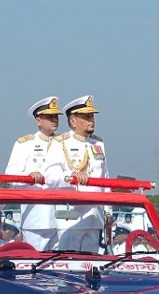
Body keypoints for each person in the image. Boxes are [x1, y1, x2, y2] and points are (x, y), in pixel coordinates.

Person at [5, 96, 66, 250]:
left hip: (63, 216)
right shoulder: (25, 144)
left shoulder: (66, 143)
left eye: (56, 116)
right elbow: (10, 175)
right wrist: (29, 177)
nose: (54, 120)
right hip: (37, 216)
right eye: (49, 117)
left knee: (61, 264)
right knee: (35, 262)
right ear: (38, 121)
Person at [55, 95, 108, 252]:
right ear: (73, 121)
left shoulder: (98, 144)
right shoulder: (60, 142)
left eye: (92, 116)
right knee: (68, 265)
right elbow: (51, 176)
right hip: (71, 216)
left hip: (94, 216)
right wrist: (71, 178)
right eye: (86, 117)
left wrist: (108, 211)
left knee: (90, 268)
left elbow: (105, 178)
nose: (91, 120)